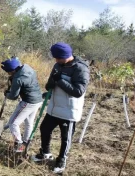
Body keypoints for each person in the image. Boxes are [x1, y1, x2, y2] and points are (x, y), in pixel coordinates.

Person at [31, 42, 90, 174]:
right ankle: (45, 153)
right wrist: (51, 83)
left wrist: (60, 80)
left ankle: (61, 160)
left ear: (66, 55)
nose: (56, 60)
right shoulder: (58, 65)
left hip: (69, 110)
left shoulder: (81, 68)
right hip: (54, 106)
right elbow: (49, 84)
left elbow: (78, 91)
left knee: (65, 138)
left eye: (58, 57)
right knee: (44, 129)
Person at [1, 57, 43, 153]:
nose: (8, 74)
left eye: (8, 72)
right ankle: (26, 142)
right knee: (29, 122)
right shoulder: (28, 68)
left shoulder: (18, 78)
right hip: (38, 100)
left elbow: (13, 96)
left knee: (13, 123)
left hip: (29, 102)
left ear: (12, 70)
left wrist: (7, 93)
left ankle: (19, 144)